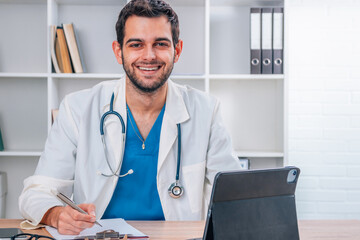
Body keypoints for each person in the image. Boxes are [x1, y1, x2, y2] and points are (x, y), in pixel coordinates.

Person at [19, 0, 241, 235]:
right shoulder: (78, 108)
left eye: (161, 44)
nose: (149, 55)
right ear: (118, 51)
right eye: (136, 44)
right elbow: (35, 193)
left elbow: (235, 196)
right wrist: (56, 214)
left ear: (177, 50)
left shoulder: (205, 110)